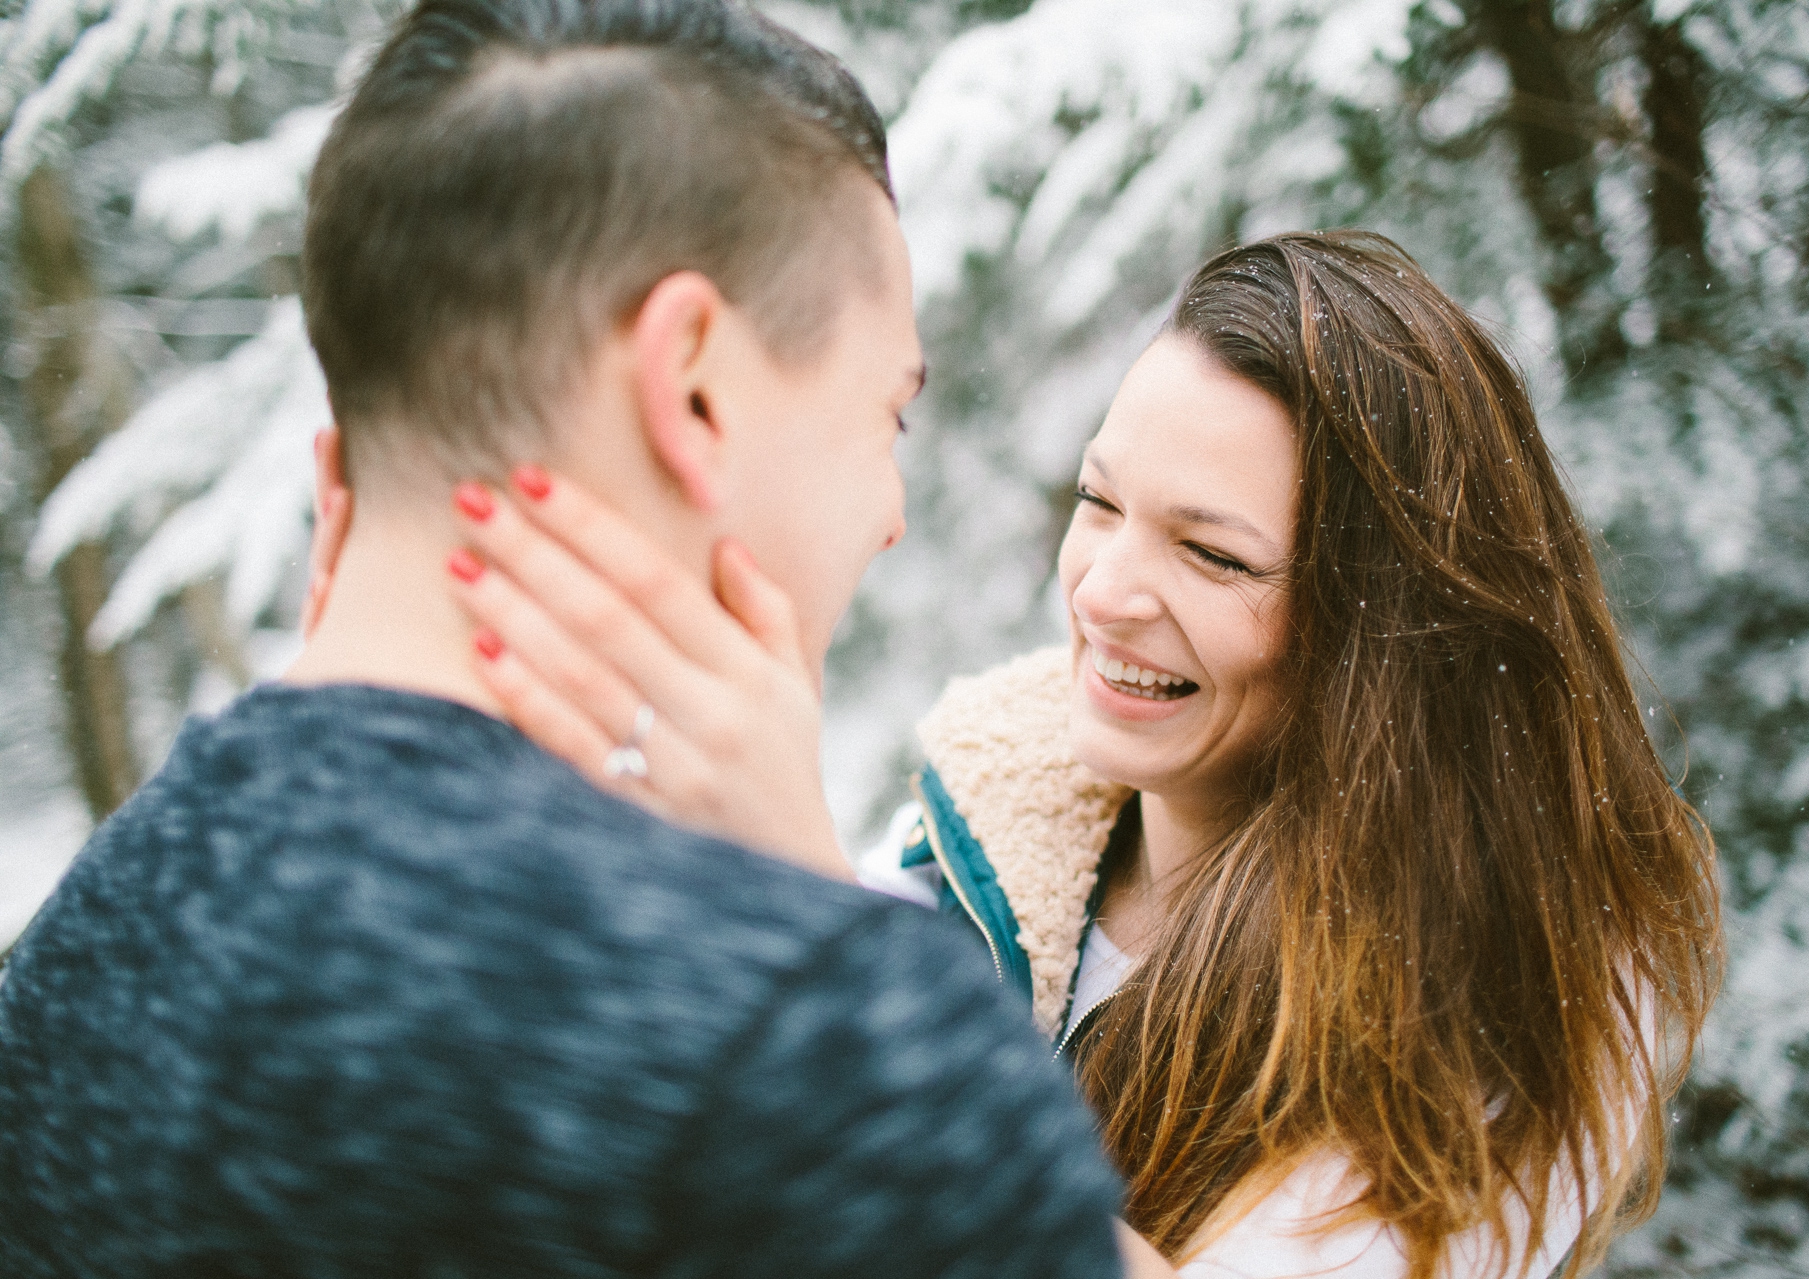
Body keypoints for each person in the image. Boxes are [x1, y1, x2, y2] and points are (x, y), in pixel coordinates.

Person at [0, 1, 1163, 1275]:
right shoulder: (814, 1042)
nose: (889, 517)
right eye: (886, 414)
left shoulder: (74, 956)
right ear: (693, 383)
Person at [444, 232, 1723, 1277]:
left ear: (1384, 635)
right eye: (1099, 501)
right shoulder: (992, 831)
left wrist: (812, 908)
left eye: (1212, 554)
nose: (1106, 589)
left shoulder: (1510, 985)